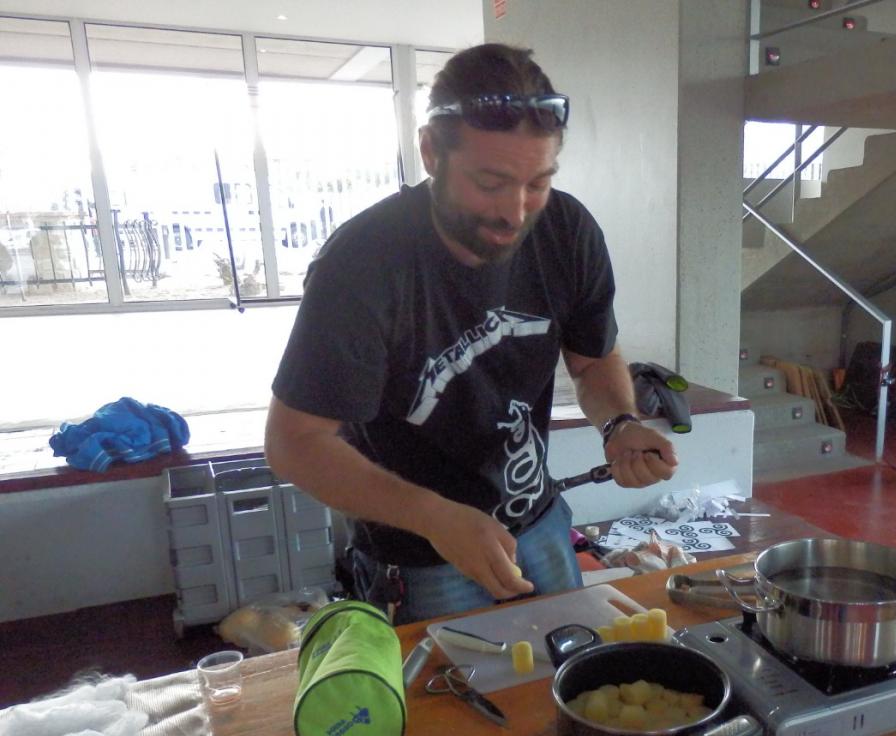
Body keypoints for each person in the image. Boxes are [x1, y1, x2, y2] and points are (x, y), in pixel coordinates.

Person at [265, 43, 678, 624]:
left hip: (540, 519)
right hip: (420, 551)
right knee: (461, 682)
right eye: (490, 182)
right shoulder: (362, 264)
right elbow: (294, 441)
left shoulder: (567, 229)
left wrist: (619, 422)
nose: (516, 211)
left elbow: (592, 359)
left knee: (572, 664)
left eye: (537, 182)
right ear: (431, 152)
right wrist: (434, 517)